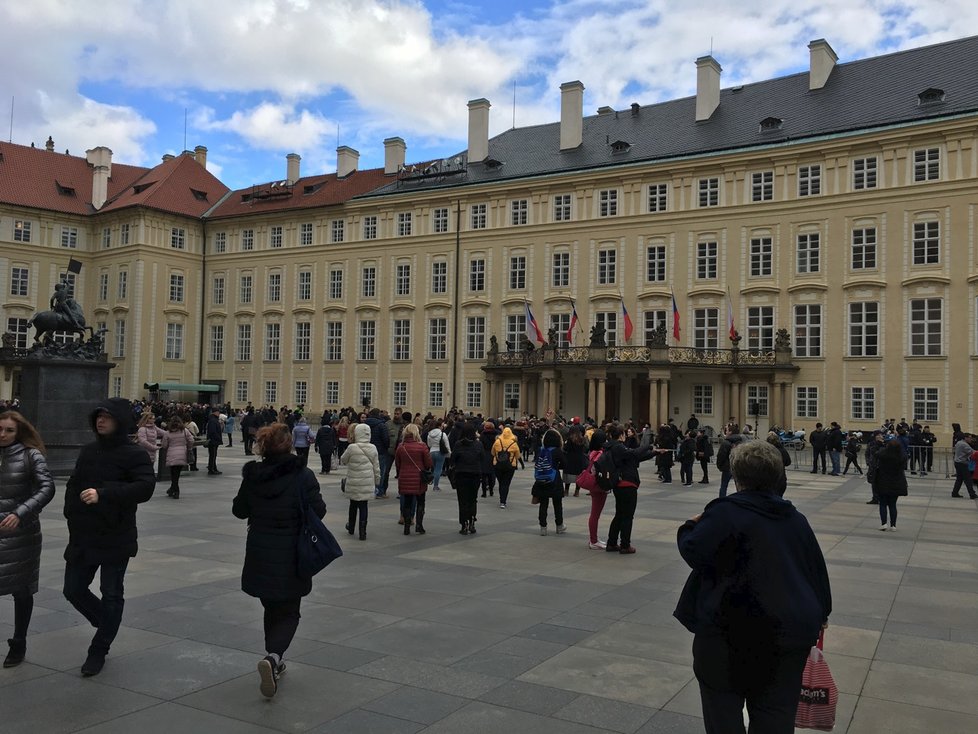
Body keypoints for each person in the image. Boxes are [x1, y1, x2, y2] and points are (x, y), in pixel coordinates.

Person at [674, 440, 832, 734]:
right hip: (786, 638)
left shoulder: (725, 512)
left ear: (737, 478)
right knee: (776, 713)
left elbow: (694, 550)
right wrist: (822, 614)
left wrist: (688, 526)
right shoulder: (795, 519)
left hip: (727, 637)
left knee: (723, 713)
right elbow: (816, 573)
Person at [231, 423, 326, 698]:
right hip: (292, 551)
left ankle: (273, 659)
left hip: (260, 549)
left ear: (263, 447)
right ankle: (273, 658)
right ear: (289, 444)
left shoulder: (254, 475)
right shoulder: (303, 475)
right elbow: (318, 510)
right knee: (289, 610)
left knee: (271, 605)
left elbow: (239, 510)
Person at [63, 398, 155, 676]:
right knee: (73, 589)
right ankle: (107, 624)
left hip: (116, 534)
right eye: (98, 417)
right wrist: (71, 511)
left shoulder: (134, 454)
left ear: (121, 421)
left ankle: (99, 648)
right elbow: (74, 483)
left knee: (112, 593)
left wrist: (104, 493)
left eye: (107, 417)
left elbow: (145, 487)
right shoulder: (89, 450)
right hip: (84, 534)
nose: (101, 421)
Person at [0, 411, 56, 668]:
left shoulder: (30, 455)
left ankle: (19, 641)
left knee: (21, 589)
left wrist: (21, 513)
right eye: (0, 429)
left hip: (20, 533)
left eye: (9, 430)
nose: (3, 434)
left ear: (19, 431)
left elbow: (47, 488)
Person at [604, 424, 653, 554]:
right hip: (627, 484)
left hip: (619, 484)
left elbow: (634, 457)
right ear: (621, 435)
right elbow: (634, 453)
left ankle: (612, 542)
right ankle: (625, 545)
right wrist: (648, 446)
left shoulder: (612, 447)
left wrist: (653, 453)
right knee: (627, 516)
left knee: (619, 514)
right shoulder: (618, 447)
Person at [340, 423, 379, 540]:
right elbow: (376, 467)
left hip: (353, 481)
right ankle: (363, 532)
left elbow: (343, 460)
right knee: (363, 506)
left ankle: (351, 526)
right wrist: (377, 480)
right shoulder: (373, 448)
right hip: (367, 482)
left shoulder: (352, 448)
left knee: (353, 505)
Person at [394, 424, 432, 535]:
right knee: (420, 502)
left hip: (405, 477)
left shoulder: (401, 446)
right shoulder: (422, 446)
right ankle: (419, 526)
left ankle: (406, 526)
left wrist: (401, 472)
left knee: (407, 502)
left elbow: (397, 463)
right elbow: (428, 463)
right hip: (419, 479)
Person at [448, 422, 483, 535]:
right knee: (473, 499)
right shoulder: (478, 444)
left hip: (461, 475)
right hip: (475, 475)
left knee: (462, 501)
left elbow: (452, 459)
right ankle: (472, 521)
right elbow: (482, 457)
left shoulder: (458, 444)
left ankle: (464, 524)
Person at [532, 428, 567, 535]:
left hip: (541, 479)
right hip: (554, 479)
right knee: (557, 503)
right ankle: (559, 526)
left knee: (543, 504)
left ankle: (543, 527)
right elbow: (565, 464)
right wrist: (556, 467)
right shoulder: (557, 451)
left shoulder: (541, 450)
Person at [873, 437, 908, 530]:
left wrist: (879, 444)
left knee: (883, 503)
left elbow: (876, 453)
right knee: (893, 504)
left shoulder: (883, 454)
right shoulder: (902, 456)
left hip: (883, 481)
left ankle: (883, 523)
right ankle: (893, 525)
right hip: (897, 482)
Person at [584, 429, 609, 549]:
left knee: (595, 513)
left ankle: (594, 538)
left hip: (595, 485)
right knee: (595, 514)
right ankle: (593, 540)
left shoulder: (592, 452)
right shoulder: (600, 454)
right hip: (599, 485)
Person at [160, 415, 194, 499]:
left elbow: (164, 445)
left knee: (173, 473)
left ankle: (176, 490)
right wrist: (188, 447)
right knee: (177, 473)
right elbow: (191, 440)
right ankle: (172, 489)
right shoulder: (185, 431)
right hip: (182, 453)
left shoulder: (167, 433)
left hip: (172, 454)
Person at [491, 424, 521, 509]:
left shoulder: (497, 441)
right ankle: (503, 501)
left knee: (501, 482)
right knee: (506, 483)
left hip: (498, 465)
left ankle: (501, 497)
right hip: (510, 466)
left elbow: (492, 453)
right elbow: (518, 456)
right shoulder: (514, 443)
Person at [715, 424, 747, 498]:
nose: (726, 432)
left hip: (727, 467)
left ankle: (721, 500)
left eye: (727, 431)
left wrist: (720, 466)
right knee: (739, 485)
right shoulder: (741, 442)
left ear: (731, 432)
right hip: (738, 466)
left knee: (724, 485)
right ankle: (741, 499)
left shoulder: (726, 442)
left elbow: (721, 456)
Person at [563, 425, 588, 497]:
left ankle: (566, 491)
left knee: (568, 474)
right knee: (578, 475)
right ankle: (577, 491)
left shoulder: (570, 439)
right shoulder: (583, 439)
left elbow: (566, 449)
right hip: (580, 458)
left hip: (570, 458)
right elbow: (586, 448)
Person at [764, 431, 792, 496]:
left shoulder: (766, 451)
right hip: (780, 479)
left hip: (768, 479)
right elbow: (788, 462)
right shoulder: (782, 450)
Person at [426, 420, 451, 491]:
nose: (443, 427)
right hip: (440, 452)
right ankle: (435, 486)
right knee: (438, 469)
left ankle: (433, 481)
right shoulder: (443, 434)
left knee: (434, 468)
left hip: (432, 452)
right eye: (442, 426)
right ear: (439, 426)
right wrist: (449, 453)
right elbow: (446, 444)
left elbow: (429, 444)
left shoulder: (429, 434)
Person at [950, 433, 977, 499]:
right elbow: (973, 452)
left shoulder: (959, 442)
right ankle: (972, 494)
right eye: (970, 438)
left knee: (959, 479)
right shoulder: (964, 445)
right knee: (968, 479)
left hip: (957, 462)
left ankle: (955, 492)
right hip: (963, 463)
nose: (971, 439)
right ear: (966, 438)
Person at [205, 406, 223, 475]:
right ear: (215, 412)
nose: (219, 413)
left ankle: (213, 467)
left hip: (214, 440)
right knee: (212, 455)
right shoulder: (213, 420)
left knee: (213, 455)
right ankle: (211, 469)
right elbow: (213, 431)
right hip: (213, 441)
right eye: (218, 412)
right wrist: (218, 438)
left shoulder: (214, 419)